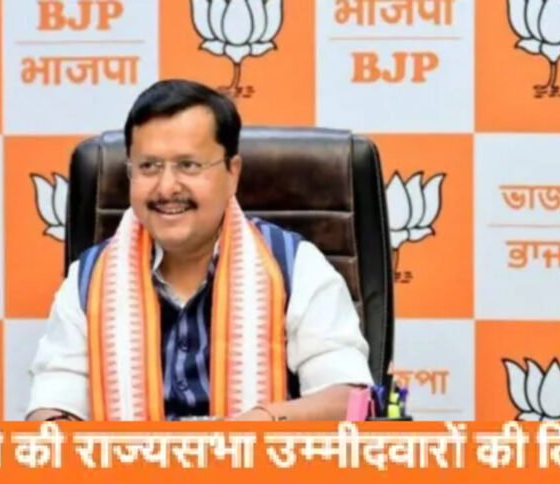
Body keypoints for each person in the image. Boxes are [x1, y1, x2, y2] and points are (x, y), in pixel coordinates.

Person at [26, 79, 371, 421]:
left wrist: (263, 424)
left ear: (232, 173)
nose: (166, 187)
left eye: (188, 165)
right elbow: (52, 403)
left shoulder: (293, 266)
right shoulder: (90, 278)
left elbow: (349, 400)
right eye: (148, 167)